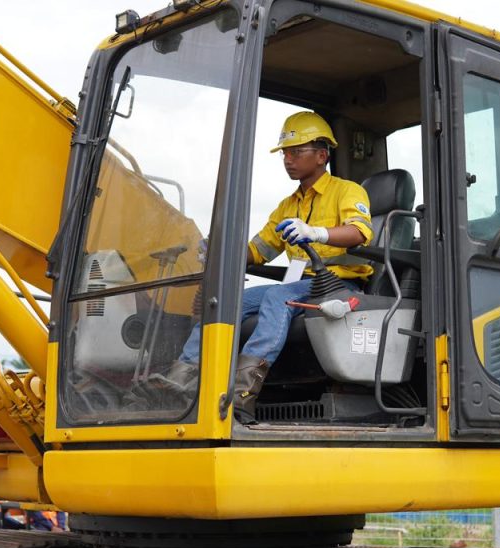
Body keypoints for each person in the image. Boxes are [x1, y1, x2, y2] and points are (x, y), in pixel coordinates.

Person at [152, 111, 374, 422]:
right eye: (285, 153)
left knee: (277, 296)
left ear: (322, 155)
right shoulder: (288, 205)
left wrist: (317, 232)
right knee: (229, 301)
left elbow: (360, 232)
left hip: (338, 285)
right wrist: (221, 251)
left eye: (296, 151)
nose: (288, 159)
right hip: (302, 285)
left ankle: (244, 389)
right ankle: (182, 378)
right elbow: (259, 250)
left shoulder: (347, 191)